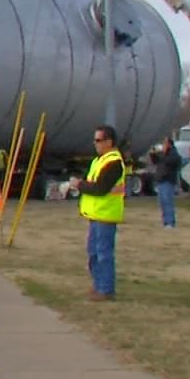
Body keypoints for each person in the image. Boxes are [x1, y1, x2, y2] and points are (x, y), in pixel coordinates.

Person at [68, 124, 125, 301]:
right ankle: (98, 285)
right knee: (93, 252)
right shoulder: (98, 160)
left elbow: (100, 188)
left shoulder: (114, 162)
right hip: (95, 215)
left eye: (99, 140)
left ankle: (106, 289)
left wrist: (79, 185)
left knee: (103, 253)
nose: (95, 144)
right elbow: (92, 183)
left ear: (109, 142)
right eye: (95, 140)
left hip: (106, 215)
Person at [152, 137, 182, 228]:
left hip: (168, 180)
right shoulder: (163, 154)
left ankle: (170, 222)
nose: (163, 145)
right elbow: (156, 161)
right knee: (162, 202)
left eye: (165, 143)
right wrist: (153, 154)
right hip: (161, 180)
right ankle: (165, 221)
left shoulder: (173, 154)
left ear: (169, 144)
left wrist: (163, 154)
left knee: (168, 201)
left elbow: (171, 161)